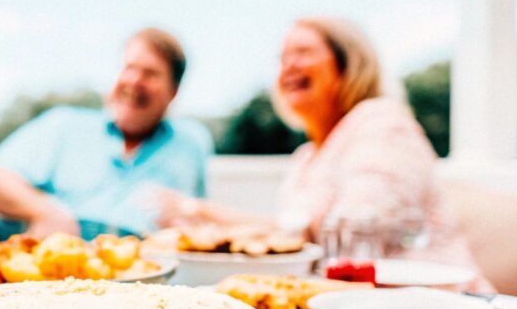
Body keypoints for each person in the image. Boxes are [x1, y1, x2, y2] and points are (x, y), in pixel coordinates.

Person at [165, 17, 484, 274]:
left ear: (349, 63)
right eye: (283, 57)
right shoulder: (304, 158)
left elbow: (355, 230)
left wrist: (205, 213)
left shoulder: (381, 122)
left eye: (302, 52)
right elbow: (295, 238)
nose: (288, 64)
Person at [0, 28, 213, 239]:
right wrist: (45, 211)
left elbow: (197, 224)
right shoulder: (64, 125)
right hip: (60, 272)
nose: (134, 80)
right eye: (128, 67)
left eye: (149, 73)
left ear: (174, 91)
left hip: (147, 276)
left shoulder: (191, 143)